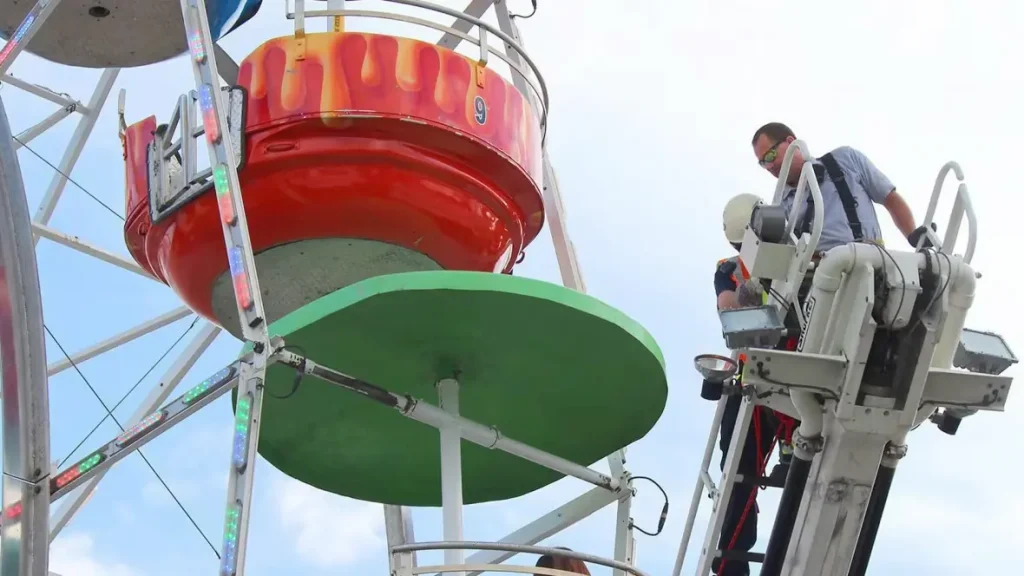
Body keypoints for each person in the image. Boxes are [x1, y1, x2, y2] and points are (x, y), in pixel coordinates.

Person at [712, 193, 797, 576]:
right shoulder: (730, 269)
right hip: (754, 380)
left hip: (799, 380)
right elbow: (729, 309)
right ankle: (732, 564)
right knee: (735, 473)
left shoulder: (804, 261)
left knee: (805, 471)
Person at [750, 122, 933, 254]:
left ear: (791, 142)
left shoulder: (845, 159)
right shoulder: (780, 206)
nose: (769, 166)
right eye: (762, 163)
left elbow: (889, 198)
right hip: (825, 279)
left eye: (771, 155)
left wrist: (912, 236)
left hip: (872, 259)